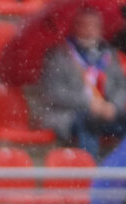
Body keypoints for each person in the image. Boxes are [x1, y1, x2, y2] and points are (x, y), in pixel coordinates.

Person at [38, 5, 126, 159]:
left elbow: (122, 85)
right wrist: (88, 103)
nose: (90, 30)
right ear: (75, 27)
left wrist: (113, 106)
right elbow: (55, 92)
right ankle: (90, 169)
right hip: (72, 113)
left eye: (94, 25)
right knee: (88, 122)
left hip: (106, 111)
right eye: (85, 25)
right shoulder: (60, 55)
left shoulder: (109, 54)